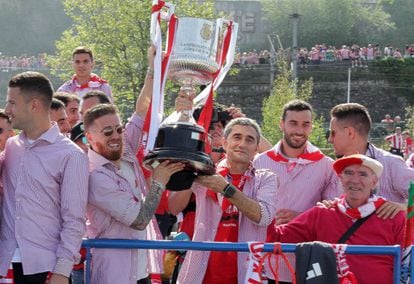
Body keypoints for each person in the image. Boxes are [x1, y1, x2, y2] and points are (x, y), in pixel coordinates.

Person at [84, 46, 185, 284]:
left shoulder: (124, 146)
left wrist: (152, 68)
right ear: (90, 138)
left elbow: (142, 109)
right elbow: (139, 220)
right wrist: (159, 182)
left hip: (141, 266)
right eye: (107, 131)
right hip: (114, 271)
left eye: (118, 129)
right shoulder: (95, 175)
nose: (116, 135)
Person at [0, 71, 89, 284]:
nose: (7, 110)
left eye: (12, 102)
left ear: (34, 105)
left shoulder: (71, 155)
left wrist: (61, 271)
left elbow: (74, 220)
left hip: (46, 270)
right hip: (6, 265)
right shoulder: (11, 147)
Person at [266, 154, 406, 284]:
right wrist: (264, 201)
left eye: (363, 174)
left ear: (374, 182)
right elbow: (276, 237)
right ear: (340, 178)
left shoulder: (394, 216)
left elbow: (407, 263)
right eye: (348, 173)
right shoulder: (322, 213)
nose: (355, 180)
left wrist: (405, 207)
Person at [177, 117, 278, 283]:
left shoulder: (266, 178)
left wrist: (225, 189)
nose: (242, 144)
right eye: (237, 137)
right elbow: (174, 207)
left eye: (249, 140)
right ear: (224, 143)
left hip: (247, 275)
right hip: (201, 274)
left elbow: (264, 217)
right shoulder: (205, 174)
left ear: (256, 149)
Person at [253, 99, 341, 283]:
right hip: (264, 259)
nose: (299, 131)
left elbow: (333, 211)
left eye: (305, 124)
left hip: (306, 259)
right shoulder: (259, 162)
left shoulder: (325, 165)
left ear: (311, 127)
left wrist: (302, 217)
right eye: (293, 123)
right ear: (281, 124)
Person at [328, 103, 414, 204]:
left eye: (333, 133)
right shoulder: (329, 169)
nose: (330, 139)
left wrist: (404, 210)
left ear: (350, 133)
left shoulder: (391, 164)